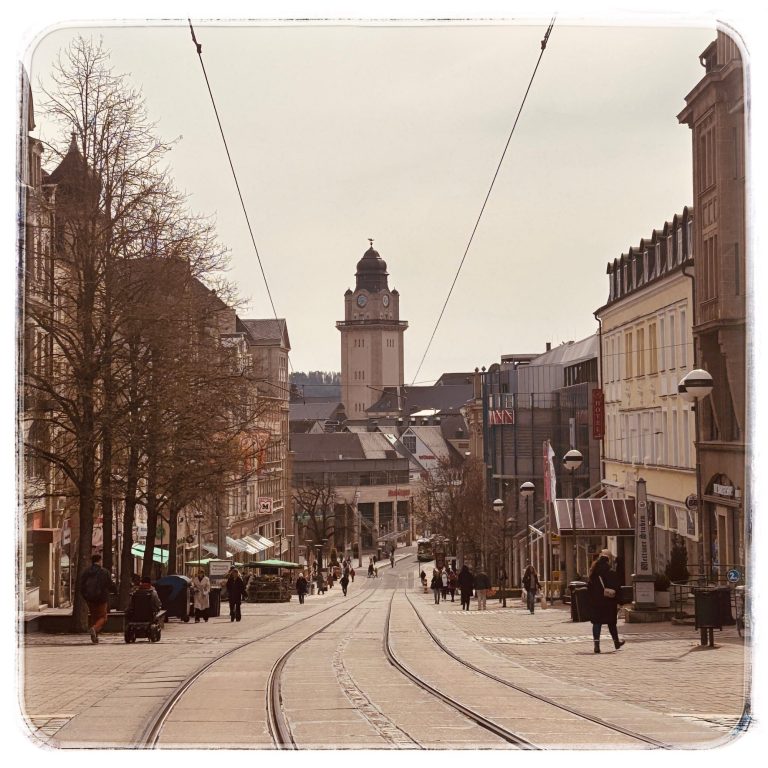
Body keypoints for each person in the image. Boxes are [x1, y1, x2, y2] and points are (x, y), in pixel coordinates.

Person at [587, 549, 625, 653]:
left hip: (597, 603)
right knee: (611, 623)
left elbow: (589, 588)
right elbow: (617, 587)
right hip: (609, 602)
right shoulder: (611, 573)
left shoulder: (593, 574)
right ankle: (616, 642)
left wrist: (591, 601)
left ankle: (596, 645)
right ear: (607, 562)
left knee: (597, 623)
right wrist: (620, 601)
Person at [79, 553, 117, 643]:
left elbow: (81, 585)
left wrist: (85, 596)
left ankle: (95, 637)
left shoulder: (86, 572)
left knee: (94, 617)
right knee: (103, 617)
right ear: (99, 561)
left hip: (90, 598)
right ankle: (94, 629)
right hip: (101, 598)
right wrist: (115, 591)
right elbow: (110, 584)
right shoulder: (104, 572)